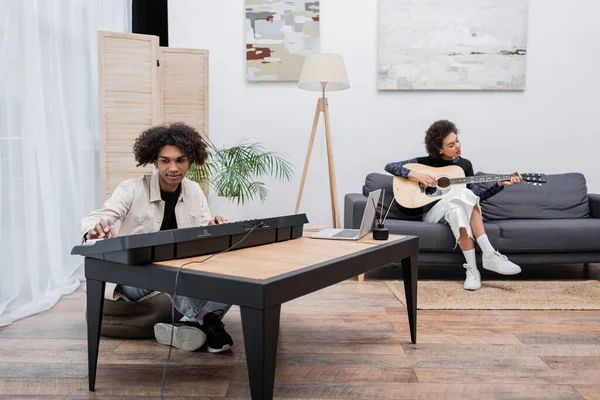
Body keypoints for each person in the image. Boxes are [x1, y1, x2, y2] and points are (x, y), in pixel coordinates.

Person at [80, 122, 233, 353]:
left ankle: (186, 325)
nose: (173, 167)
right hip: (132, 275)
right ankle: (209, 321)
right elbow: (102, 216)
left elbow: (201, 233)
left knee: (231, 276)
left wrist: (213, 228)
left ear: (191, 160)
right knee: (171, 272)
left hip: (176, 269)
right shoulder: (131, 189)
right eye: (165, 160)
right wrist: (94, 228)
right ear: (154, 160)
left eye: (180, 160)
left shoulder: (194, 191)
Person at [385, 120, 523, 290]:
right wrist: (417, 175)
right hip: (432, 214)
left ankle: (472, 271)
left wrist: (499, 184)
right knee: (463, 194)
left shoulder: (465, 165)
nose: (457, 146)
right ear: (439, 149)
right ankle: (489, 254)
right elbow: (390, 166)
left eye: (457, 140)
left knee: (458, 207)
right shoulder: (425, 163)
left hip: (453, 211)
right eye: (451, 145)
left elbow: (476, 196)